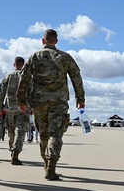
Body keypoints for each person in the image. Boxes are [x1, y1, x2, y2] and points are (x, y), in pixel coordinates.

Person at [17, 29, 84, 181]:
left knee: (43, 134)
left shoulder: (34, 57)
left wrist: (21, 101)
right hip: (58, 102)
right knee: (56, 133)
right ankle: (51, 167)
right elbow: (76, 78)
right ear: (56, 41)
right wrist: (80, 98)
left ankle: (47, 164)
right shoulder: (65, 57)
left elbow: (24, 80)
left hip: (39, 102)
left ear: (43, 41)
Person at [0, 56, 29, 165]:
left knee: (10, 131)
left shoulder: (8, 77)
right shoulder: (27, 77)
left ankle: (12, 150)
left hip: (9, 108)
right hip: (23, 108)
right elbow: (33, 92)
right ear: (23, 65)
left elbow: (1, 93)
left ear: (14, 64)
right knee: (20, 131)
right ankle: (15, 152)